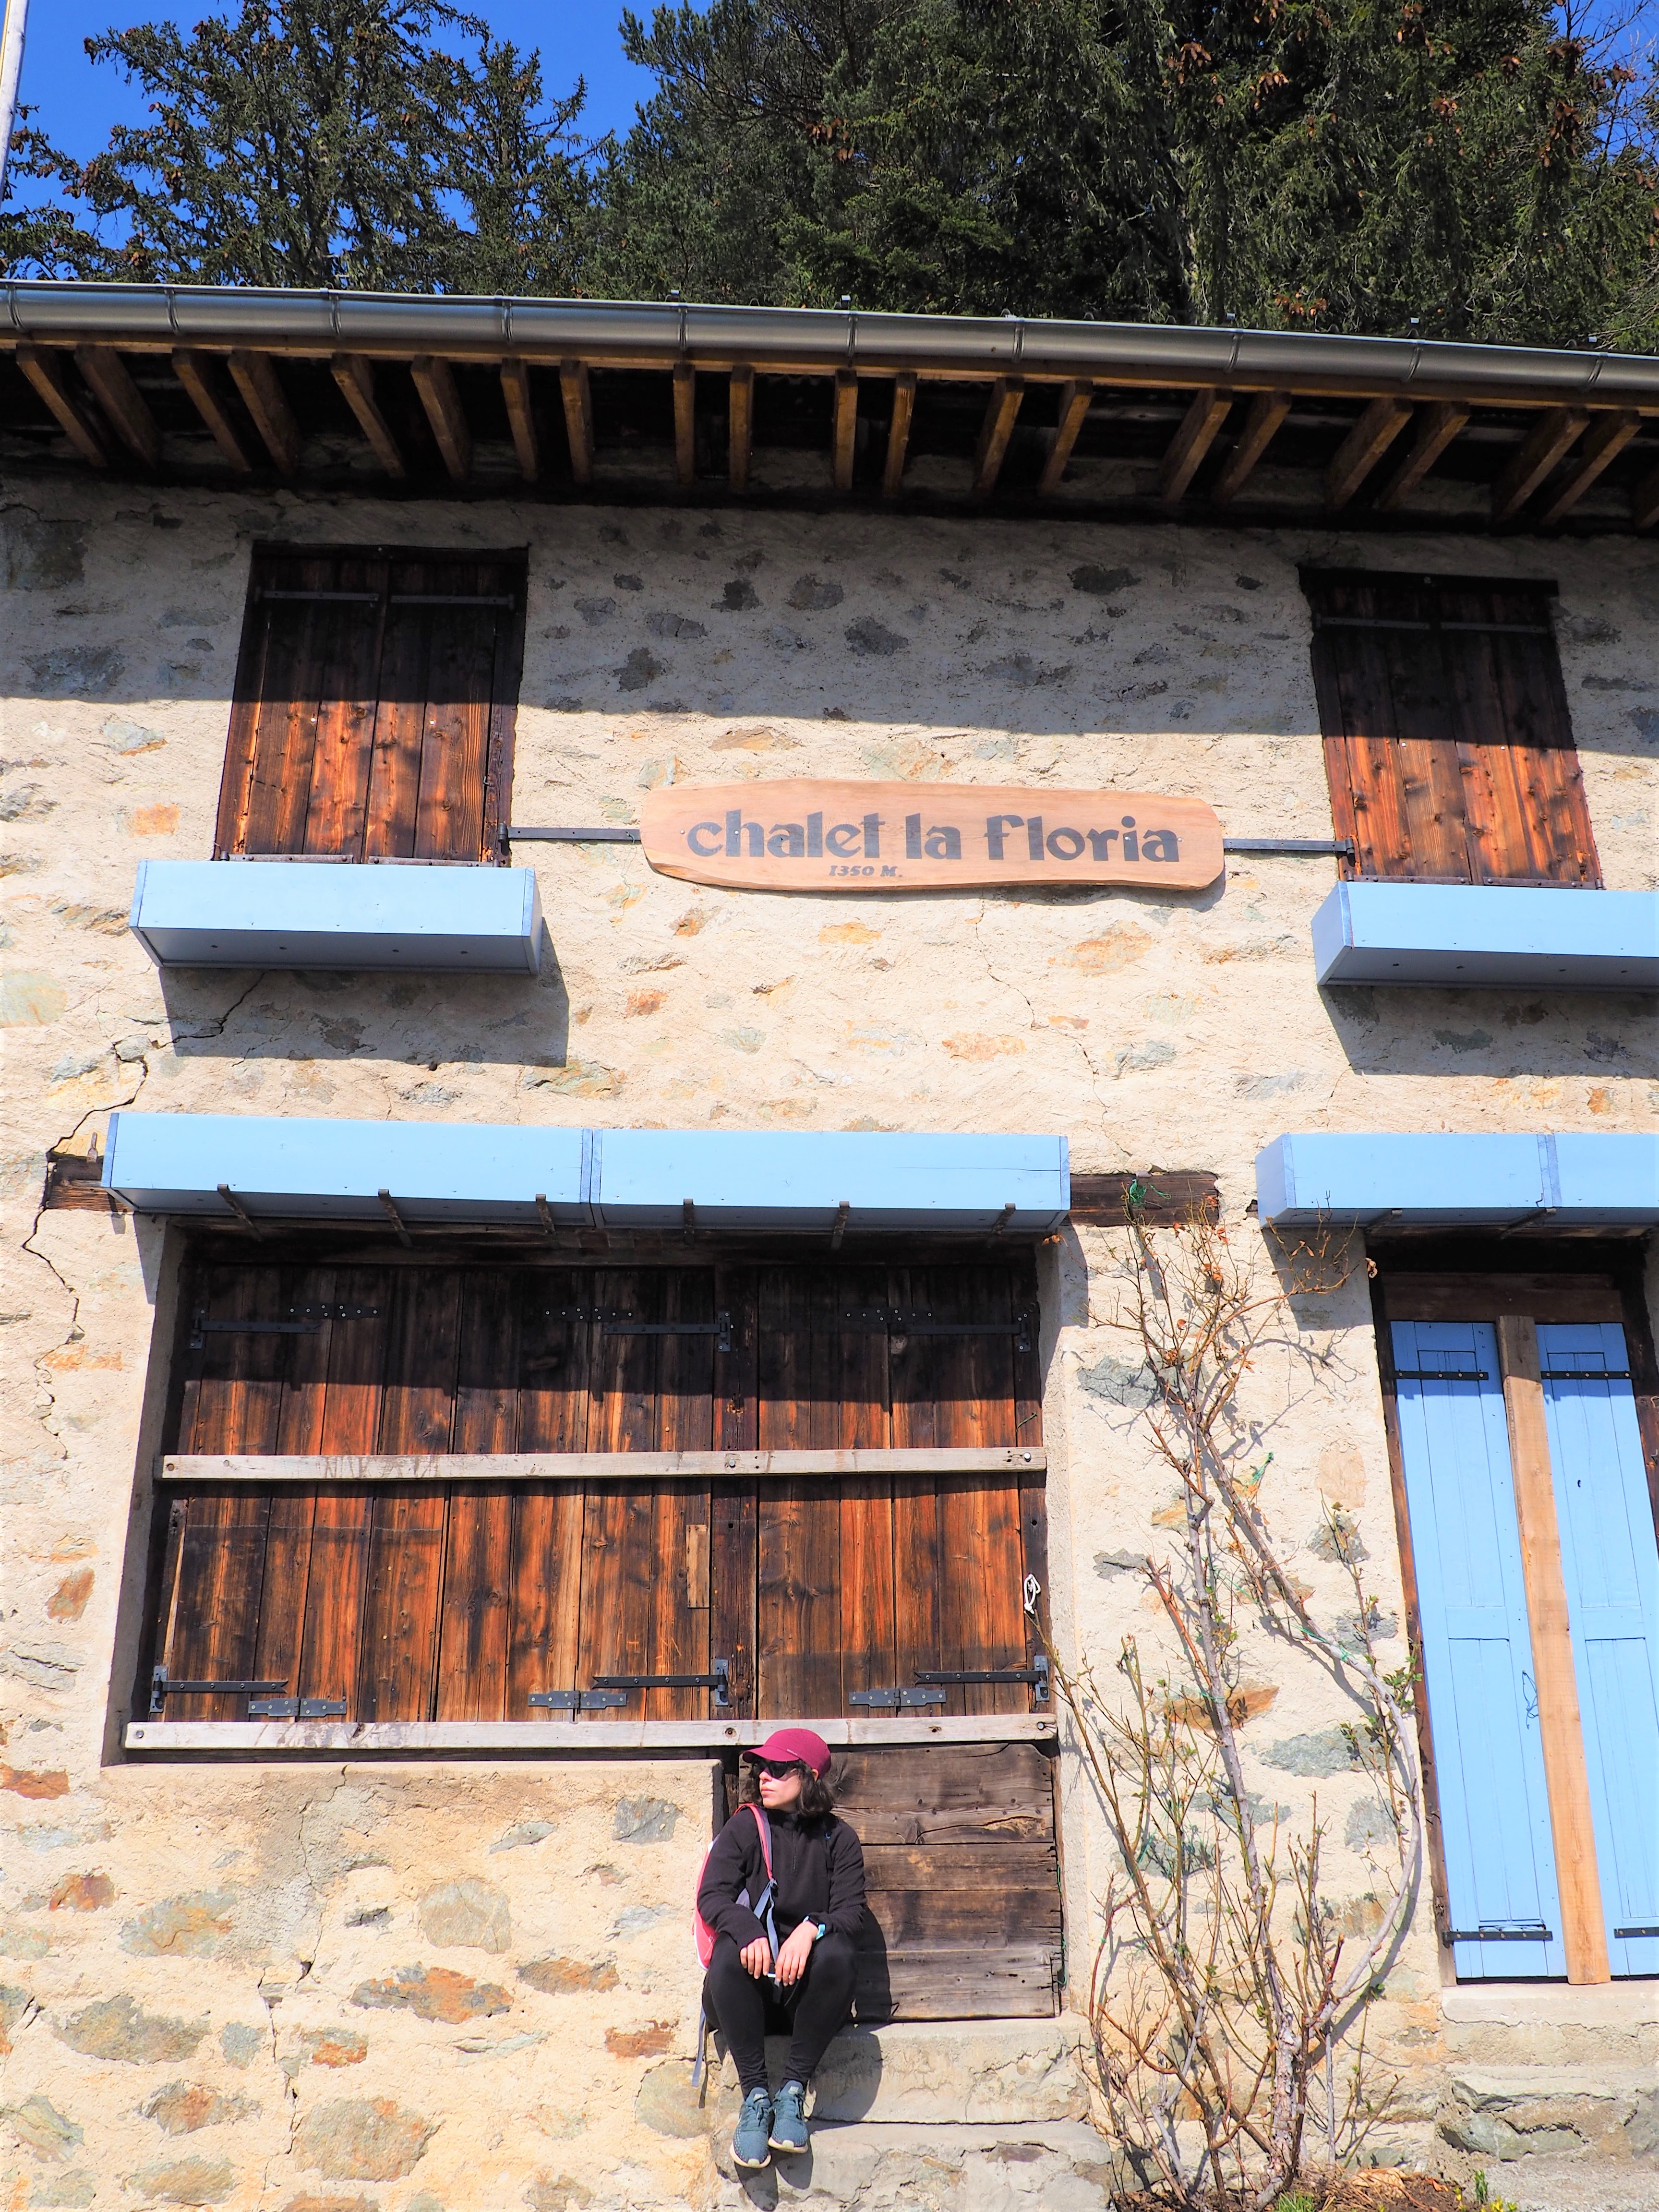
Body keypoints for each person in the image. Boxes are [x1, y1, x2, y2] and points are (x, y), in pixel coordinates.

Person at [697, 1725, 866, 2168]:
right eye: (761, 1768)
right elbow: (712, 1896)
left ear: (808, 1776)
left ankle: (792, 2092)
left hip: (801, 2001)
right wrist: (747, 1928)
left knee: (839, 1953)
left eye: (777, 1768)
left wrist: (812, 1929)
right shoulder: (745, 1826)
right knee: (731, 1953)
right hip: (742, 1997)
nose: (763, 1777)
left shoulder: (839, 1839)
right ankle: (756, 2098)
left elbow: (852, 1913)